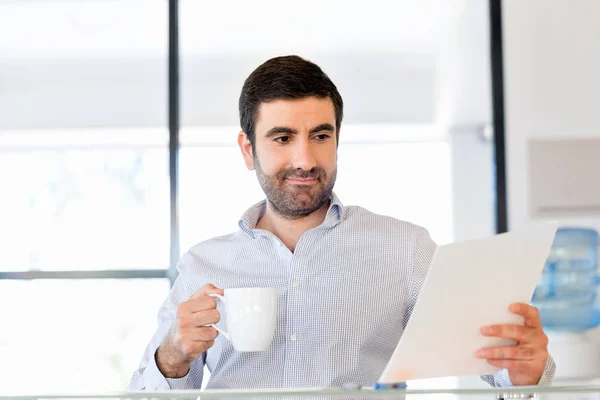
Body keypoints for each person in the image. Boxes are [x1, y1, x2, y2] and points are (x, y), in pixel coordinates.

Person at [128, 55, 555, 391]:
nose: (305, 160)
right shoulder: (204, 264)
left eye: (320, 135)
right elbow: (144, 391)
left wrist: (526, 370)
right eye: (282, 138)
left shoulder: (404, 249)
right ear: (247, 149)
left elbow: (492, 360)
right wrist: (173, 354)